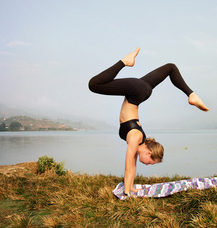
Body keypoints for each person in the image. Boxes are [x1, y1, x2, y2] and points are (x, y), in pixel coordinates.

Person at [88, 47, 209, 196]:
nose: (147, 164)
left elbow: (132, 166)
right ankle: (124, 61)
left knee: (170, 67)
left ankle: (191, 94)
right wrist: (126, 193)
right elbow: (128, 168)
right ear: (149, 152)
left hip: (142, 90)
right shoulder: (136, 138)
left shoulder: (138, 141)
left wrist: (130, 188)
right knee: (94, 85)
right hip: (136, 91)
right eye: (150, 161)